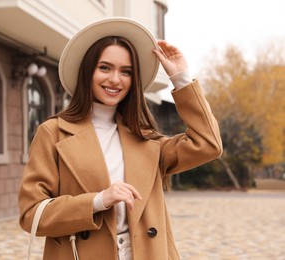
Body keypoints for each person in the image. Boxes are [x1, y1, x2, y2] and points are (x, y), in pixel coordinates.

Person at [18, 17, 222, 260]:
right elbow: (31, 215)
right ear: (88, 72)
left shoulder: (147, 140)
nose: (115, 79)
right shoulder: (54, 132)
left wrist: (180, 78)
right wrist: (99, 200)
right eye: (105, 68)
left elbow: (208, 144)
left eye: (126, 72)